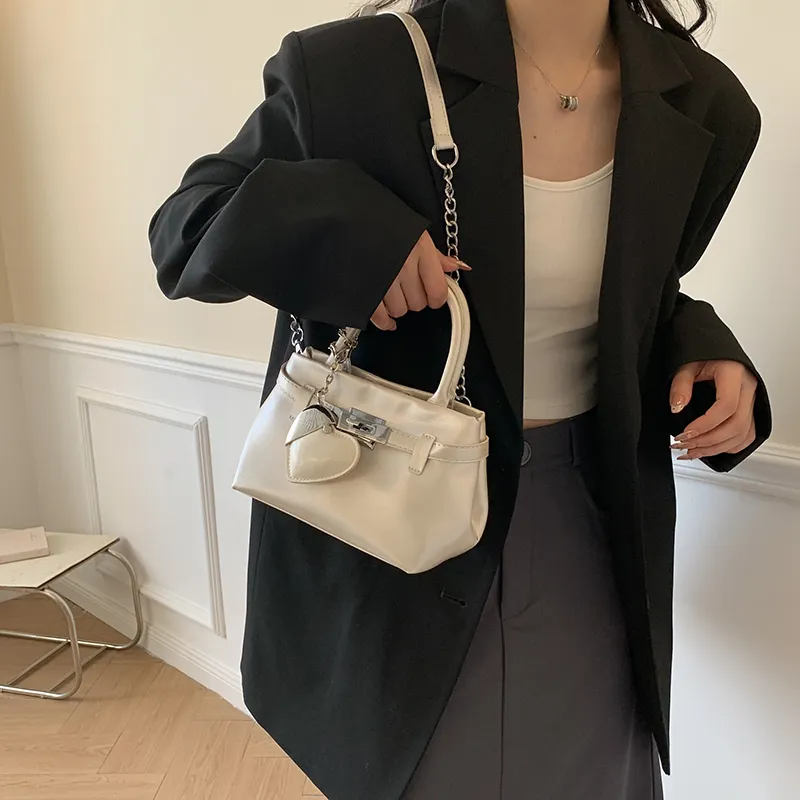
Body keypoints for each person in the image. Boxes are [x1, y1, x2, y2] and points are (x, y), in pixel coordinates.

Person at [148, 0, 772, 797]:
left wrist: (702, 345)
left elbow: (636, 291)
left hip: (593, 522)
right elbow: (184, 229)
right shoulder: (354, 71)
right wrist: (351, 234)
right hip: (400, 519)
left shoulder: (706, 106)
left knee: (595, 774)